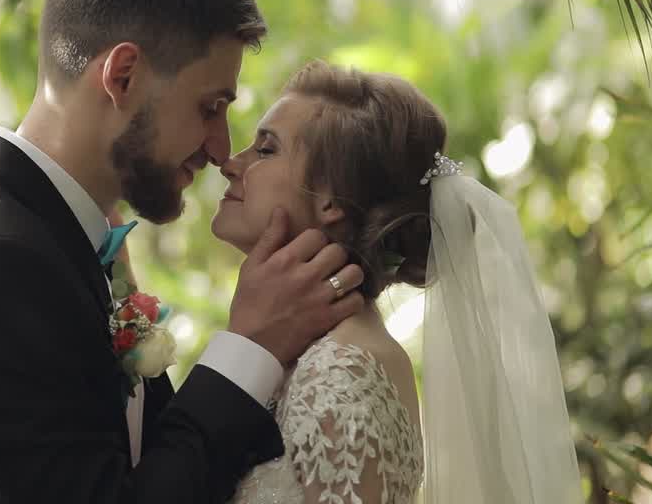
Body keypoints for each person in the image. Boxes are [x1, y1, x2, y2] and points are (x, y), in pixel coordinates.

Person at [0, 0, 367, 503]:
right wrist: (247, 348)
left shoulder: (68, 245)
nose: (218, 149)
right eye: (210, 107)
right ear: (122, 75)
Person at [217, 61, 583, 504]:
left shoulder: (339, 373)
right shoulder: (311, 354)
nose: (231, 164)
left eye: (265, 149)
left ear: (331, 200)